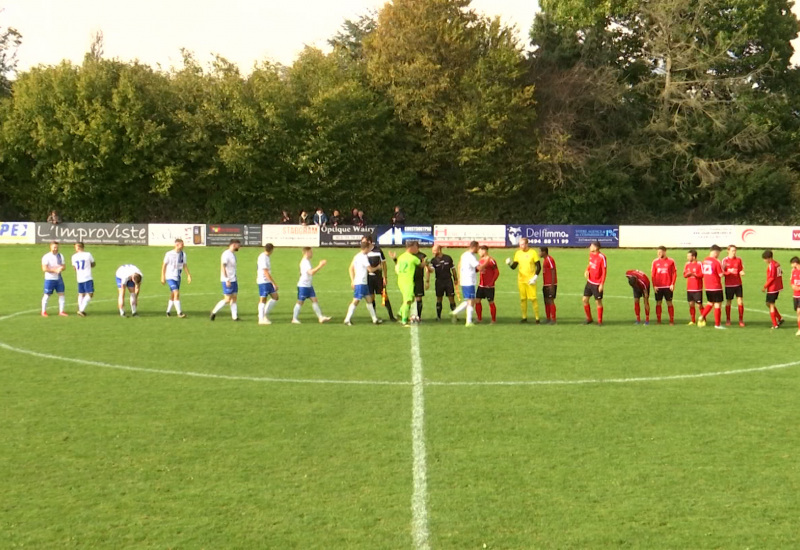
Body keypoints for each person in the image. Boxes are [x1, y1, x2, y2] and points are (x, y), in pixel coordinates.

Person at [344, 242, 383, 325]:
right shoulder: (363, 257)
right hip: (361, 282)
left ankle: (374, 319)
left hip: (362, 282)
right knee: (356, 300)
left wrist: (352, 280)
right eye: (369, 248)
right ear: (366, 248)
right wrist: (378, 267)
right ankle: (347, 319)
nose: (370, 249)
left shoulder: (357, 256)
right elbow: (370, 270)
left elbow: (351, 268)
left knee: (369, 300)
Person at [505, 237, 541, 323]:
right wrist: (509, 264)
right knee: (523, 299)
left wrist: (534, 277)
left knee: (533, 299)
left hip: (530, 280)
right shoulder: (518, 253)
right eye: (520, 244)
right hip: (521, 280)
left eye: (522, 244)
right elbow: (514, 267)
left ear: (526, 244)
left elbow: (539, 266)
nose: (520, 246)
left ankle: (537, 318)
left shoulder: (533, 253)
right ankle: (524, 317)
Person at [292, 247, 331, 324]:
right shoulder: (305, 262)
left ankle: (320, 317)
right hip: (304, 285)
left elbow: (301, 272)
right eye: (311, 252)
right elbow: (311, 272)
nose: (312, 254)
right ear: (306, 252)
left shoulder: (306, 261)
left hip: (308, 285)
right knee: (300, 302)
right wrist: (320, 265)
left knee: (314, 300)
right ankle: (294, 318)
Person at [451, 241, 485, 326]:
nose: (478, 249)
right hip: (469, 280)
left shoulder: (464, 254)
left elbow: (459, 265)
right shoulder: (471, 256)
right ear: (474, 247)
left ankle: (455, 312)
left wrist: (459, 276)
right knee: (471, 300)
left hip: (464, 280)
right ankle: (468, 321)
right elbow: (478, 267)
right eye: (478, 247)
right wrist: (486, 263)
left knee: (470, 300)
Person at [363, 235, 396, 322]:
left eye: (364, 241)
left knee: (384, 296)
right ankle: (374, 317)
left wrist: (385, 277)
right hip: (368, 278)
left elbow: (384, 264)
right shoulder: (364, 252)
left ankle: (391, 317)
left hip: (378, 278)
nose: (362, 243)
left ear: (369, 242)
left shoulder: (378, 250)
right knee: (371, 297)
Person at [210, 239, 241, 321]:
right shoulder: (226, 254)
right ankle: (213, 312)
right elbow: (223, 266)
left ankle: (235, 317)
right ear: (234, 245)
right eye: (238, 245)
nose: (239, 247)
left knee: (234, 298)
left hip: (233, 279)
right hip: (227, 280)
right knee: (227, 299)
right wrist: (226, 279)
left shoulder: (232, 254)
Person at [161, 238, 192, 318]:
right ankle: (179, 313)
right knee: (176, 293)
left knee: (172, 294)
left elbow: (184, 265)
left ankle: (168, 311)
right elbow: (164, 265)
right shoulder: (168, 254)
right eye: (182, 244)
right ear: (177, 245)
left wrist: (188, 275)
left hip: (178, 277)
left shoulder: (183, 254)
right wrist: (162, 276)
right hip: (170, 276)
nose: (183, 246)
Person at [395, 241, 423, 327]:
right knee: (408, 301)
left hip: (400, 280)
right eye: (415, 247)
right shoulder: (413, 258)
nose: (417, 249)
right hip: (408, 282)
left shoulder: (401, 257)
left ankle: (400, 313)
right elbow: (421, 265)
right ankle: (404, 320)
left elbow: (397, 269)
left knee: (408, 299)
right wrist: (428, 262)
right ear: (410, 248)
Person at [698, 245, 724, 329]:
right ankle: (717, 325)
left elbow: (702, 273)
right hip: (716, 286)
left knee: (710, 303)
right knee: (717, 305)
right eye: (718, 253)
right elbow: (721, 274)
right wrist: (727, 270)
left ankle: (702, 316)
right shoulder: (716, 262)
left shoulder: (704, 261)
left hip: (708, 286)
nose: (719, 255)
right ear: (715, 252)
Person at [429, 244, 458, 321]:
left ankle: (454, 316)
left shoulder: (448, 258)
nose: (433, 253)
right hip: (439, 281)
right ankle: (438, 317)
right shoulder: (433, 260)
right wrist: (426, 266)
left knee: (451, 298)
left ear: (439, 250)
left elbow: (453, 269)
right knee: (439, 298)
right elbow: (431, 270)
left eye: (434, 251)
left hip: (448, 280)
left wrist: (455, 279)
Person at [582, 241, 607, 325]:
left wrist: (602, 284)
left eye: (591, 246)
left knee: (598, 302)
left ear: (596, 248)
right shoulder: (591, 254)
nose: (590, 247)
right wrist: (587, 270)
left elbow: (604, 271)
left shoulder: (602, 257)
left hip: (597, 284)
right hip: (589, 282)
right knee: (585, 299)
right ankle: (589, 318)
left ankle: (600, 321)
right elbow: (590, 264)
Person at [651, 246, 677, 325]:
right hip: (658, 286)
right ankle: (658, 321)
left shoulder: (671, 261)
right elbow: (653, 274)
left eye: (660, 252)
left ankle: (671, 320)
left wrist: (672, 284)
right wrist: (654, 285)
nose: (658, 254)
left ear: (665, 252)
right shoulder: (655, 262)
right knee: (658, 303)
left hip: (668, 286)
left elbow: (674, 273)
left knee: (669, 302)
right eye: (658, 252)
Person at [41, 241, 68, 317]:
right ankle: (43, 311)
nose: (55, 249)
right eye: (54, 247)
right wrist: (54, 270)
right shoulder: (46, 257)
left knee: (61, 294)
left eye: (57, 247)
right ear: (50, 247)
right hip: (49, 279)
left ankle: (61, 311)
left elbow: (64, 266)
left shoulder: (60, 256)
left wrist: (61, 268)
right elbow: (44, 268)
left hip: (59, 278)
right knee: (47, 295)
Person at [721, 244, 745, 327]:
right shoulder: (725, 260)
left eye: (735, 251)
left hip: (738, 284)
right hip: (729, 285)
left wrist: (741, 272)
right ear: (728, 251)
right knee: (728, 302)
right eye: (732, 251)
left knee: (740, 301)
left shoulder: (739, 260)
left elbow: (741, 269)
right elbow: (721, 273)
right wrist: (728, 272)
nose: (734, 252)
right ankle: (728, 319)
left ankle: (741, 320)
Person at [257, 243, 280, 325]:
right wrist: (273, 283)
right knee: (263, 299)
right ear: (272, 250)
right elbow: (265, 272)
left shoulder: (266, 257)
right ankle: (261, 318)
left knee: (275, 297)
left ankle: (264, 314)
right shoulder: (263, 258)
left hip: (267, 281)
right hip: (263, 281)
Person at [476, 245, 499, 323]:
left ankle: (493, 320)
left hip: (489, 286)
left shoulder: (491, 260)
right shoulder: (480, 260)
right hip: (481, 285)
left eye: (479, 251)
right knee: (477, 300)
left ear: (484, 250)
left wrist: (492, 282)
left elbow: (497, 272)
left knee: (491, 302)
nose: (478, 253)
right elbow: (477, 270)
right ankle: (479, 319)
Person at [71, 242, 95, 317]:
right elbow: (93, 264)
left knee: (81, 293)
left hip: (79, 277)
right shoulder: (88, 254)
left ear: (78, 248)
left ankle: (80, 309)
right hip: (87, 277)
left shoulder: (74, 256)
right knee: (90, 293)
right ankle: (81, 309)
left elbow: (74, 268)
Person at [762, 250, 784, 329]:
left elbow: (771, 278)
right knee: (768, 303)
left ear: (768, 258)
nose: (764, 261)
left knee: (770, 304)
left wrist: (765, 286)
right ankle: (780, 318)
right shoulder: (777, 263)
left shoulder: (772, 265)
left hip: (772, 288)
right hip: (777, 287)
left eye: (764, 259)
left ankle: (775, 324)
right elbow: (781, 272)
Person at [683, 249, 704, 325]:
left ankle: (703, 319)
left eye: (689, 256)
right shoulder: (687, 264)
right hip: (689, 288)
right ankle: (693, 320)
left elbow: (702, 274)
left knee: (699, 305)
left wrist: (694, 274)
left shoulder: (699, 264)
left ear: (694, 257)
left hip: (697, 288)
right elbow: (684, 275)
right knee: (691, 304)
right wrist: (688, 274)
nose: (688, 258)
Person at [540, 247, 558, 324]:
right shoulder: (545, 260)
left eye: (540, 251)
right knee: (546, 301)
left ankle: (553, 319)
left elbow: (553, 270)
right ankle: (548, 318)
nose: (539, 253)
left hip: (550, 284)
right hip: (546, 284)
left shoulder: (549, 259)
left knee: (550, 301)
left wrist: (552, 284)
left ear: (544, 252)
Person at [412, 245, 428, 322]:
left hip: (419, 279)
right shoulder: (409, 255)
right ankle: (411, 315)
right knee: (410, 297)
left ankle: (418, 316)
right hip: (410, 279)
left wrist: (427, 280)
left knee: (419, 298)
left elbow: (426, 268)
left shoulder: (422, 256)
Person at [789, 256, 800, 337]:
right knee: (797, 312)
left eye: (792, 264)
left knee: (799, 312)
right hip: (795, 295)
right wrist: (793, 286)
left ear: (795, 263)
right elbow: (792, 281)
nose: (791, 266)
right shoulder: (793, 272)